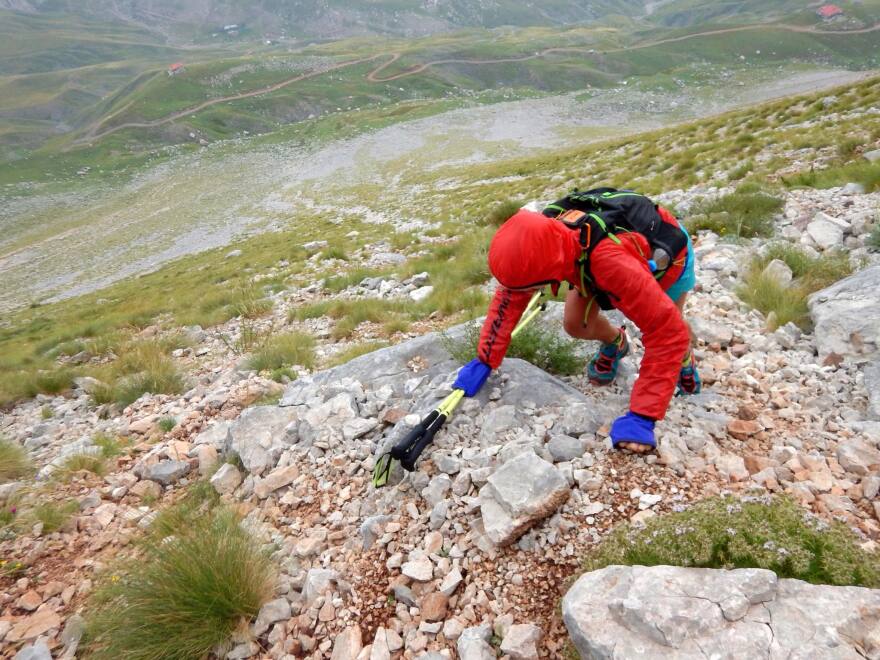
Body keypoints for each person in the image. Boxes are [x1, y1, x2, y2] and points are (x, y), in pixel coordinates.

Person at [451, 187, 700, 453]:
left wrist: (642, 417)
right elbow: (510, 297)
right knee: (574, 324)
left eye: (529, 288)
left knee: (672, 323)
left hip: (666, 261)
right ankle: (616, 343)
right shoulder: (546, 240)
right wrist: (485, 359)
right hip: (590, 264)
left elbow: (667, 331)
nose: (522, 294)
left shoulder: (608, 262)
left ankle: (684, 359)